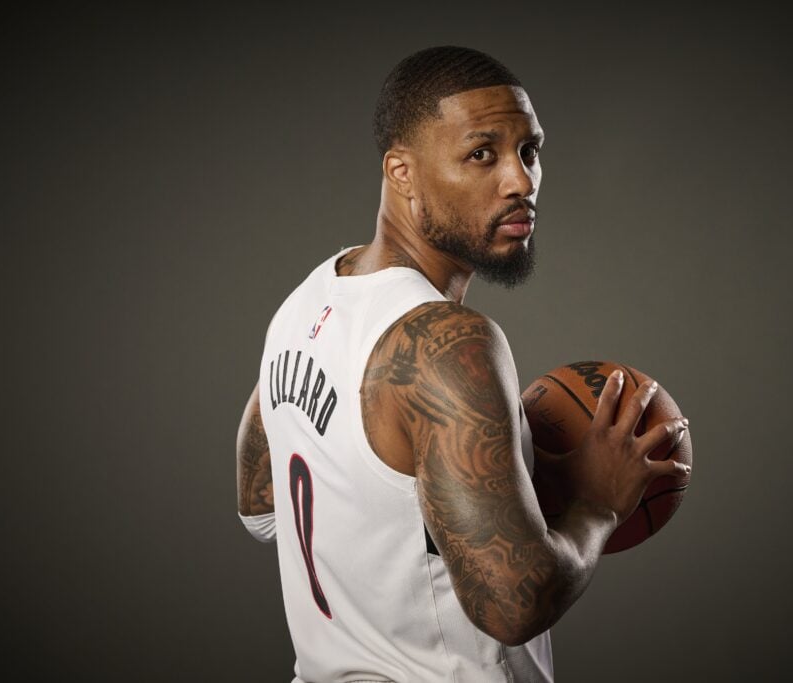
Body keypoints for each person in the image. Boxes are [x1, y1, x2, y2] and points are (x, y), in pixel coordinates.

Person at [235, 45, 691, 683]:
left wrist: (505, 481)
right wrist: (596, 505)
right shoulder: (448, 343)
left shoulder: (305, 302)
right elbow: (513, 605)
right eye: (482, 153)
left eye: (528, 150)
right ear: (402, 172)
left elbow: (261, 509)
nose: (520, 180)